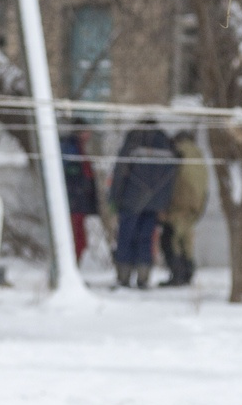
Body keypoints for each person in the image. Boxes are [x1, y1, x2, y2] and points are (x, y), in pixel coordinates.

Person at [108, 118, 179, 289]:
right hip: (155, 203)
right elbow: (172, 175)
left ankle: (123, 277)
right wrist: (163, 201)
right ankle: (143, 276)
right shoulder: (166, 143)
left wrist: (114, 199)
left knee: (126, 238)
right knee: (146, 239)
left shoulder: (134, 140)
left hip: (130, 200)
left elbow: (120, 171)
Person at [159, 130, 206, 286]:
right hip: (196, 205)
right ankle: (187, 273)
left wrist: (166, 204)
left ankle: (178, 275)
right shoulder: (198, 154)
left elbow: (174, 181)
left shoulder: (179, 153)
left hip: (179, 205)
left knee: (171, 239)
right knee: (186, 240)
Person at [59, 129, 100, 261]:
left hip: (80, 201)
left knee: (80, 237)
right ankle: (71, 265)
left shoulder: (79, 147)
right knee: (75, 237)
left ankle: (75, 265)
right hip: (74, 201)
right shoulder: (70, 146)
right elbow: (69, 171)